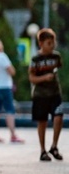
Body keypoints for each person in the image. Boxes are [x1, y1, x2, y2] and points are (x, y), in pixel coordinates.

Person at [28, 28, 63, 162]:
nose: (52, 46)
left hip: (55, 93)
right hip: (40, 95)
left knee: (58, 117)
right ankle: (42, 150)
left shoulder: (56, 57)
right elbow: (31, 78)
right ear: (41, 43)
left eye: (53, 43)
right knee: (42, 121)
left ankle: (54, 146)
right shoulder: (35, 59)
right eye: (49, 43)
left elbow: (57, 70)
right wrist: (44, 78)